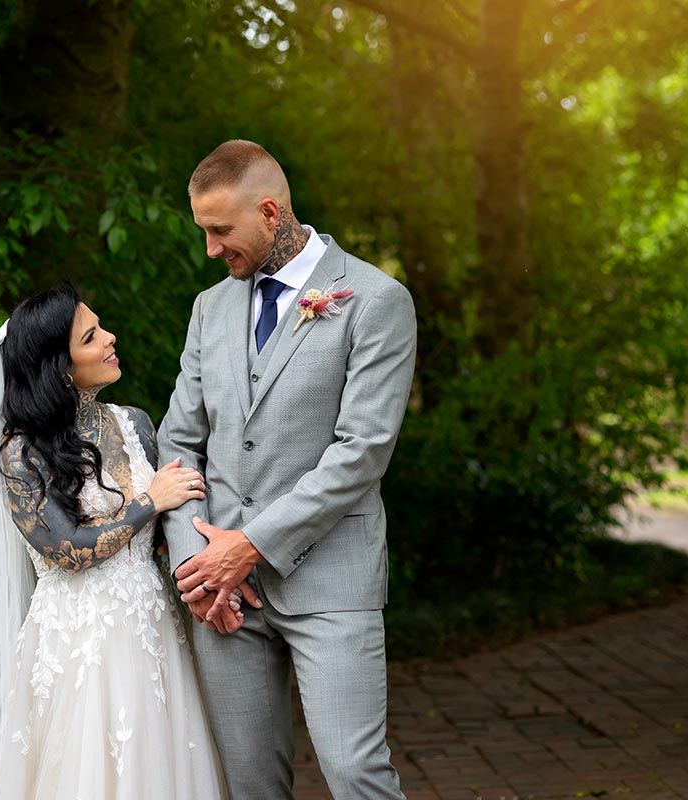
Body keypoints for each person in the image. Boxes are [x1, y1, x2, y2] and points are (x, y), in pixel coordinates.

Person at [158, 140, 418, 800]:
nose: (212, 250)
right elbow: (178, 444)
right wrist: (198, 569)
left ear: (270, 212)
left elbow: (361, 451)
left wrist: (249, 546)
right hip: (223, 599)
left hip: (328, 582)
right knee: (247, 784)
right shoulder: (208, 309)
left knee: (355, 772)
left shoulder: (374, 300)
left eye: (221, 231)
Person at [0, 286, 229, 800]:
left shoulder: (133, 422)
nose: (111, 338)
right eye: (91, 336)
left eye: (101, 327)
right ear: (58, 366)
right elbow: (65, 552)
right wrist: (148, 503)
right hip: (79, 642)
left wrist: (203, 571)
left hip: (152, 627)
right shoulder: (20, 453)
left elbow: (161, 538)